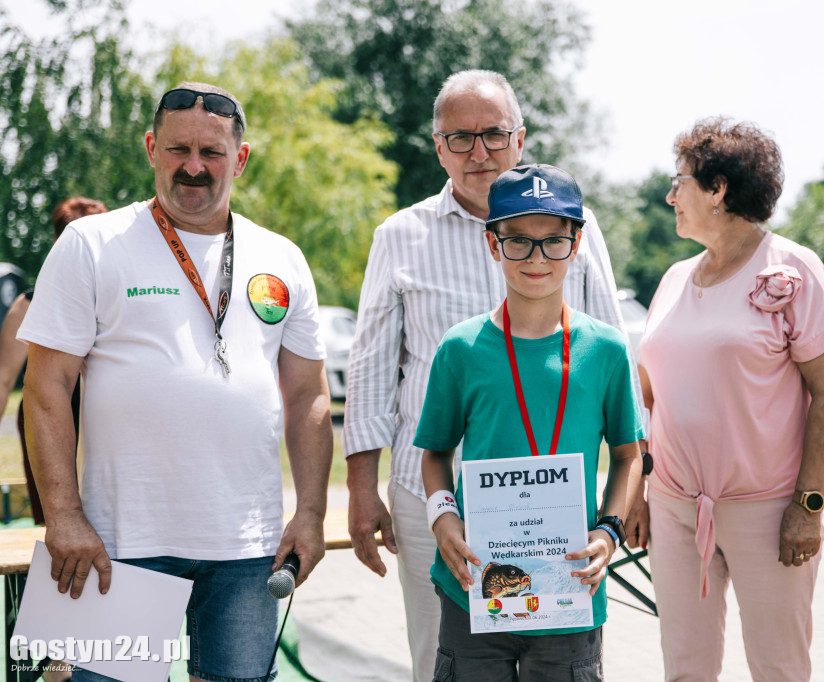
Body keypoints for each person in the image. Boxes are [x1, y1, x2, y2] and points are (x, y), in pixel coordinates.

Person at [19, 82, 333, 682]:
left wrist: (312, 512)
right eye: (178, 148)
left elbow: (309, 395)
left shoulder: (282, 257)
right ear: (151, 149)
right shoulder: (91, 244)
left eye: (211, 152)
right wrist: (62, 516)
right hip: (115, 542)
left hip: (248, 547)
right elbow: (47, 387)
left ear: (240, 158)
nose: (194, 167)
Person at [343, 69, 642, 681]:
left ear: (520, 138)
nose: (478, 151)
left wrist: (624, 509)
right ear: (437, 146)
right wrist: (361, 487)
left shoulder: (577, 228)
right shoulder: (399, 235)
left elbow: (618, 366)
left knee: (558, 661)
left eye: (493, 135)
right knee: (441, 659)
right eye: (460, 137)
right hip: (436, 502)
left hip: (563, 512)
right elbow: (371, 367)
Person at [632, 117, 824, 681]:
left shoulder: (794, 269)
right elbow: (649, 401)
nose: (669, 194)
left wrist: (809, 508)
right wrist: (638, 493)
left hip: (770, 512)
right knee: (685, 669)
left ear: (718, 188)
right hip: (675, 510)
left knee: (778, 669)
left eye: (679, 180)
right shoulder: (675, 278)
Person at [417, 164, 643, 681]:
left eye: (553, 242)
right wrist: (443, 518)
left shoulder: (606, 349)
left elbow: (629, 456)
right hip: (475, 582)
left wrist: (608, 532)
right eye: (518, 241)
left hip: (570, 585)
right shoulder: (461, 348)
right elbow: (434, 452)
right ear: (493, 245)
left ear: (577, 242)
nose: (536, 259)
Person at [0, 197, 107, 528]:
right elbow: (3, 378)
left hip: (104, 416)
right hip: (46, 412)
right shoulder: (30, 302)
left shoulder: (121, 297)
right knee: (54, 521)